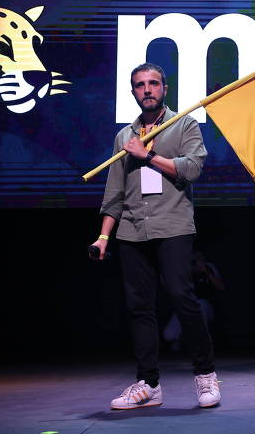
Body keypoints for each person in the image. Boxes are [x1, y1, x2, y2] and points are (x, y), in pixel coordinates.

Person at [90, 62, 219, 410]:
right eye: (140, 85)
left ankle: (205, 374)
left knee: (181, 295)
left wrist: (146, 155)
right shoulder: (123, 137)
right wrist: (103, 238)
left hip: (173, 225)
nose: (147, 89)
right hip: (132, 230)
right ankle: (148, 383)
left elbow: (192, 169)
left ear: (164, 88)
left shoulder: (184, 124)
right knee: (139, 307)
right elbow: (114, 194)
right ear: (132, 91)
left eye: (153, 83)